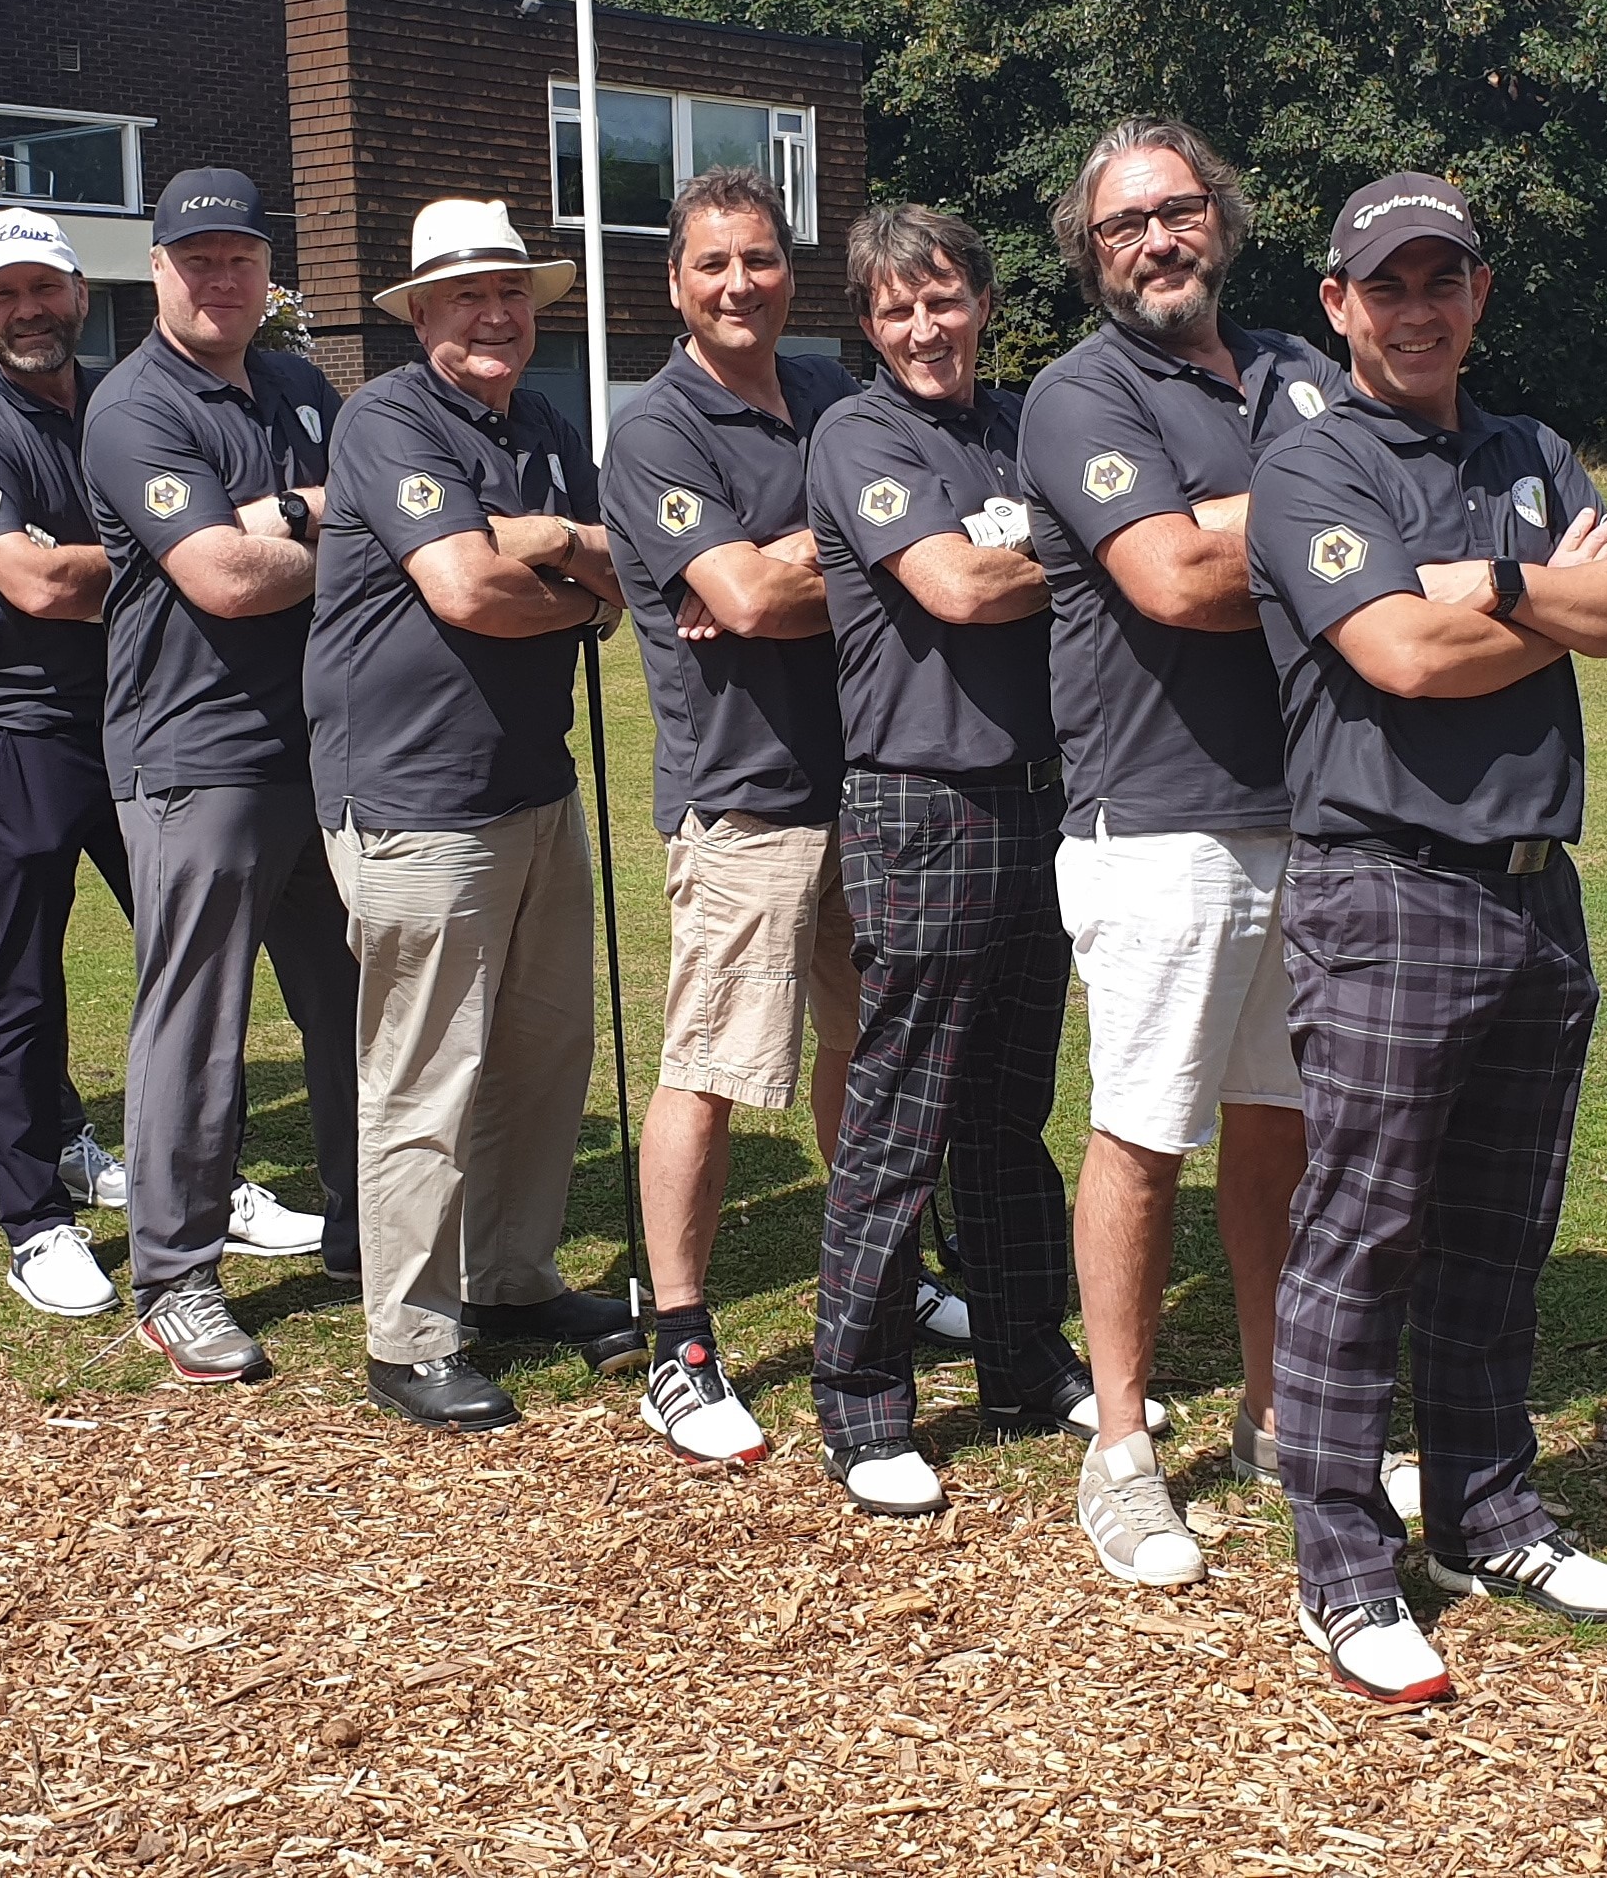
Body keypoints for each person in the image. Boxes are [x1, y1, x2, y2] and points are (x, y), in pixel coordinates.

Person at [1245, 174, 1607, 1702]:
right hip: (1389, 884)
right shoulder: (1310, 469)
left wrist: (1494, 578)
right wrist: (1553, 595)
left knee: (1503, 1227)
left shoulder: (1530, 449)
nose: (1418, 308)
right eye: (1388, 285)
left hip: (1532, 884)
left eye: (1446, 280)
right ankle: (1344, 1564)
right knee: (1363, 1236)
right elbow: (1400, 655)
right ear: (1339, 306)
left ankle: (1485, 1512)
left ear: (1478, 295)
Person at [1019, 117, 1339, 1586]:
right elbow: (1173, 578)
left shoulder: (1299, 369)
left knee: (1282, 1122)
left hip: (1315, 808)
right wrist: (1333, 519)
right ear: (1091, 258)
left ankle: (1283, 1417)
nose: (1157, 240)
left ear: (1224, 217)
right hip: (1158, 820)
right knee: (1146, 1129)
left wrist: (1242, 518)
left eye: (1178, 209)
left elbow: (1263, 541)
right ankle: (1125, 1452)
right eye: (1122, 226)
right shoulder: (1081, 393)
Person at [309, 200, 642, 1432]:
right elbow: (466, 590)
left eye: (509, 292)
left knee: (542, 1052)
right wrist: (559, 563)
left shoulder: (544, 419)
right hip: (412, 796)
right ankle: (409, 1332)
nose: (494, 315)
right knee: (427, 1069)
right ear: (420, 315)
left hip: (531, 781)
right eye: (464, 297)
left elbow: (623, 574)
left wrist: (551, 549)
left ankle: (508, 1277)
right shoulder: (385, 416)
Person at [800, 204, 1085, 1518]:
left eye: (945, 298)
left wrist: (1025, 543)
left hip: (1043, 801)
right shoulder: (861, 432)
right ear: (868, 323)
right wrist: (1083, 548)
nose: (926, 327)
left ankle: (1025, 1359)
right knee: (901, 1113)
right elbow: (959, 590)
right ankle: (860, 1399)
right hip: (923, 805)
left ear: (981, 300)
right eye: (897, 308)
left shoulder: (1024, 423)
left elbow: (1009, 565)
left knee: (1008, 1113)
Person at [596, 167, 860, 1467]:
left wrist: (785, 562)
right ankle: (681, 1344)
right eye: (713, 265)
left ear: (786, 272)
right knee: (709, 1069)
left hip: (866, 782)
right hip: (741, 797)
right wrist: (841, 555)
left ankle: (876, 1274)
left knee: (862, 1053)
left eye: (759, 260)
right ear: (675, 283)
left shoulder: (825, 392)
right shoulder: (657, 430)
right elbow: (743, 606)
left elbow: (835, 567)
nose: (739, 284)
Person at [80, 168, 358, 1382]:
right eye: (197, 259)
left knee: (355, 1001)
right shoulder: (135, 406)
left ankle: (369, 1227)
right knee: (198, 1019)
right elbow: (225, 580)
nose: (220, 277)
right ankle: (176, 1275)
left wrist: (287, 510)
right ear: (157, 272)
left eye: (240, 256)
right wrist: (341, 527)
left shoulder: (299, 383)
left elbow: (331, 527)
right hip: (194, 753)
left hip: (318, 742)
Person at [0, 210, 137, 1321]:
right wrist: (177, 547)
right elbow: (36, 586)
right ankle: (35, 1219)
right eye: (4, 296)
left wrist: (107, 558)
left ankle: (203, 1172)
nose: (29, 311)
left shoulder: (128, 404)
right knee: (23, 985)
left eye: (45, 289)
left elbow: (70, 570)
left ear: (80, 294)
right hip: (14, 732)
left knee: (191, 963)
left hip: (141, 720)